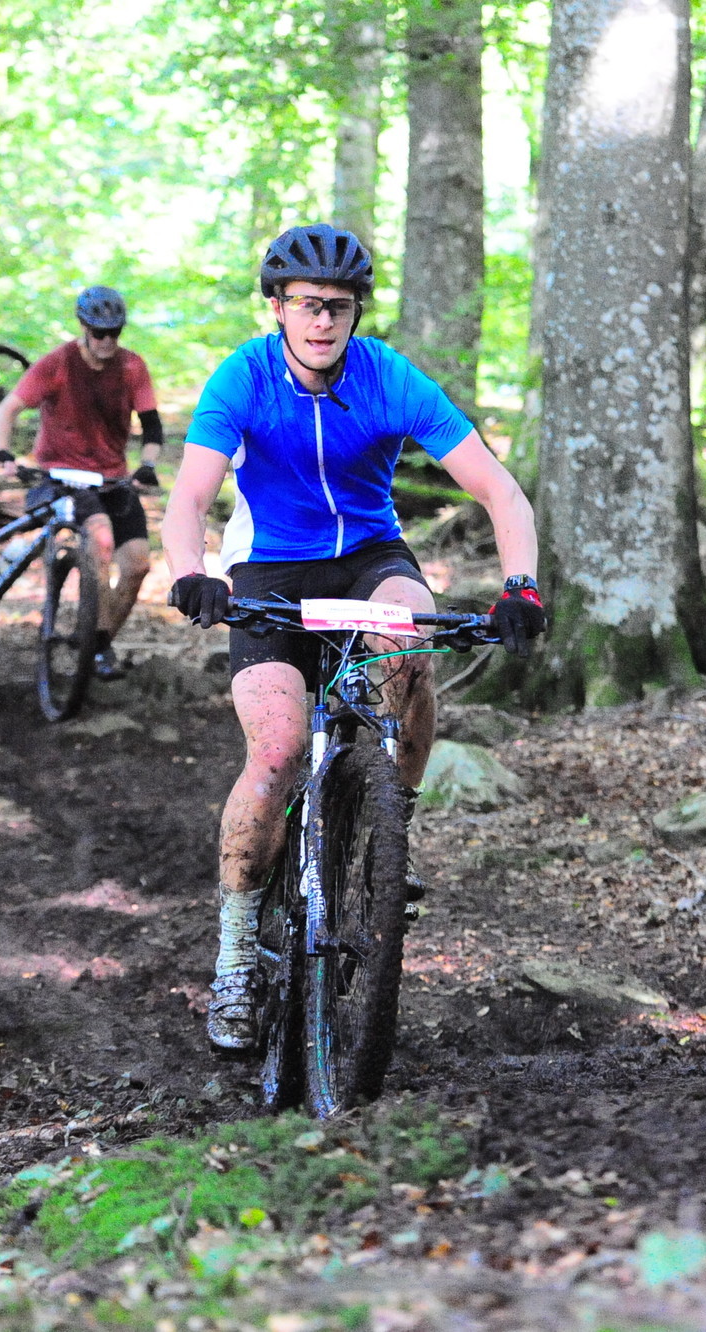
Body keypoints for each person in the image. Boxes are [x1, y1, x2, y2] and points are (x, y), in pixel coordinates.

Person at [162, 224, 546, 1052]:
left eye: (338, 307)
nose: (323, 321)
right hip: (269, 570)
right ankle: (235, 957)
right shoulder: (243, 377)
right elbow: (189, 497)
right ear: (278, 307)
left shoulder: (388, 377)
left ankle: (387, 826)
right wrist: (193, 572)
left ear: (357, 313)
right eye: (307, 304)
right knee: (276, 752)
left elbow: (500, 491)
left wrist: (521, 586)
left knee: (409, 646)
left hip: (370, 558)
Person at [0, 286, 164, 681]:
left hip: (112, 479)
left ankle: (97, 642)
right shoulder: (58, 364)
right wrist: (2, 453)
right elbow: (7, 409)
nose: (107, 341)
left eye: (115, 333)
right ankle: (97, 649)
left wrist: (147, 465)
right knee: (100, 539)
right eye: (100, 333)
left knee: (137, 564)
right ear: (84, 328)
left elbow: (152, 426)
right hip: (61, 478)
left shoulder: (132, 367)